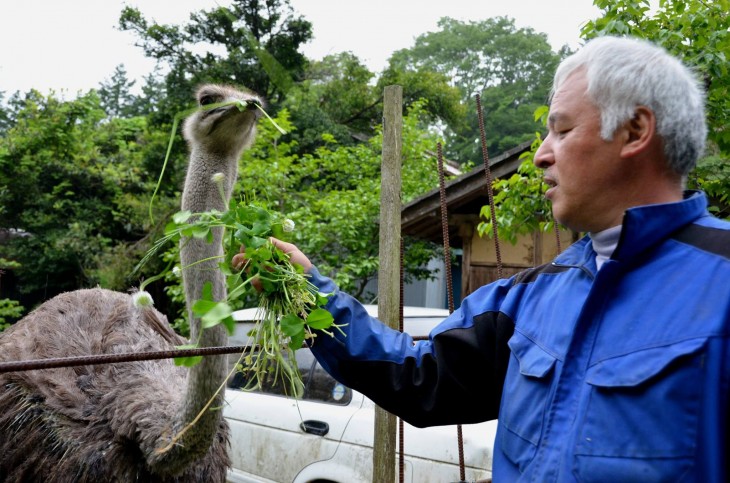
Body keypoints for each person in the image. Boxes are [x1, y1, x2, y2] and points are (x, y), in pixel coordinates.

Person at [239, 36, 730, 481]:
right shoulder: (529, 299)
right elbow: (417, 373)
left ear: (635, 130)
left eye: (560, 130)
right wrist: (307, 292)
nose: (541, 155)